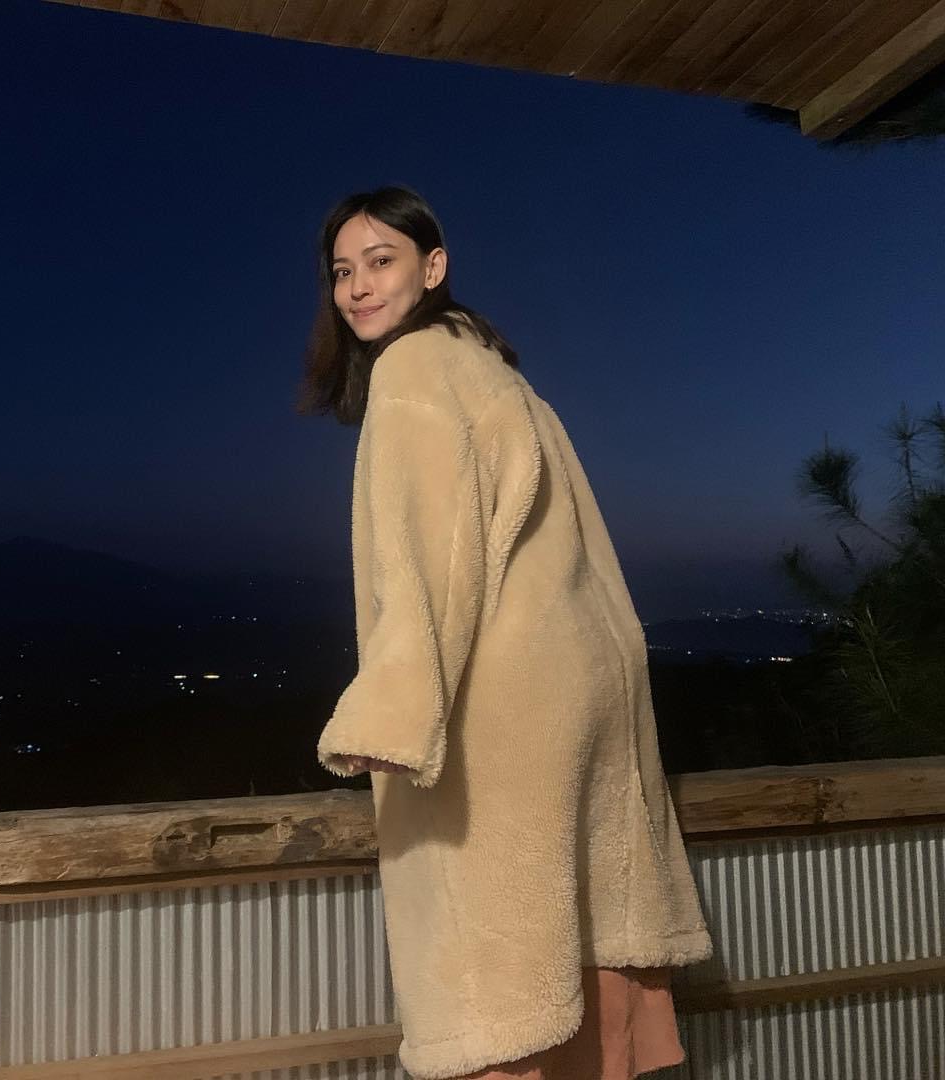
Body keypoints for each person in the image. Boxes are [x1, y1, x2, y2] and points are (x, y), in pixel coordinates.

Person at [299, 186, 714, 1080]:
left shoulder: (413, 371)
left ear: (433, 267)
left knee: (496, 968)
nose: (358, 287)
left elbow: (429, 552)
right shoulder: (496, 374)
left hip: (500, 705)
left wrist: (393, 710)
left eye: (381, 261)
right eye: (342, 270)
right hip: (583, 686)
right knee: (586, 917)